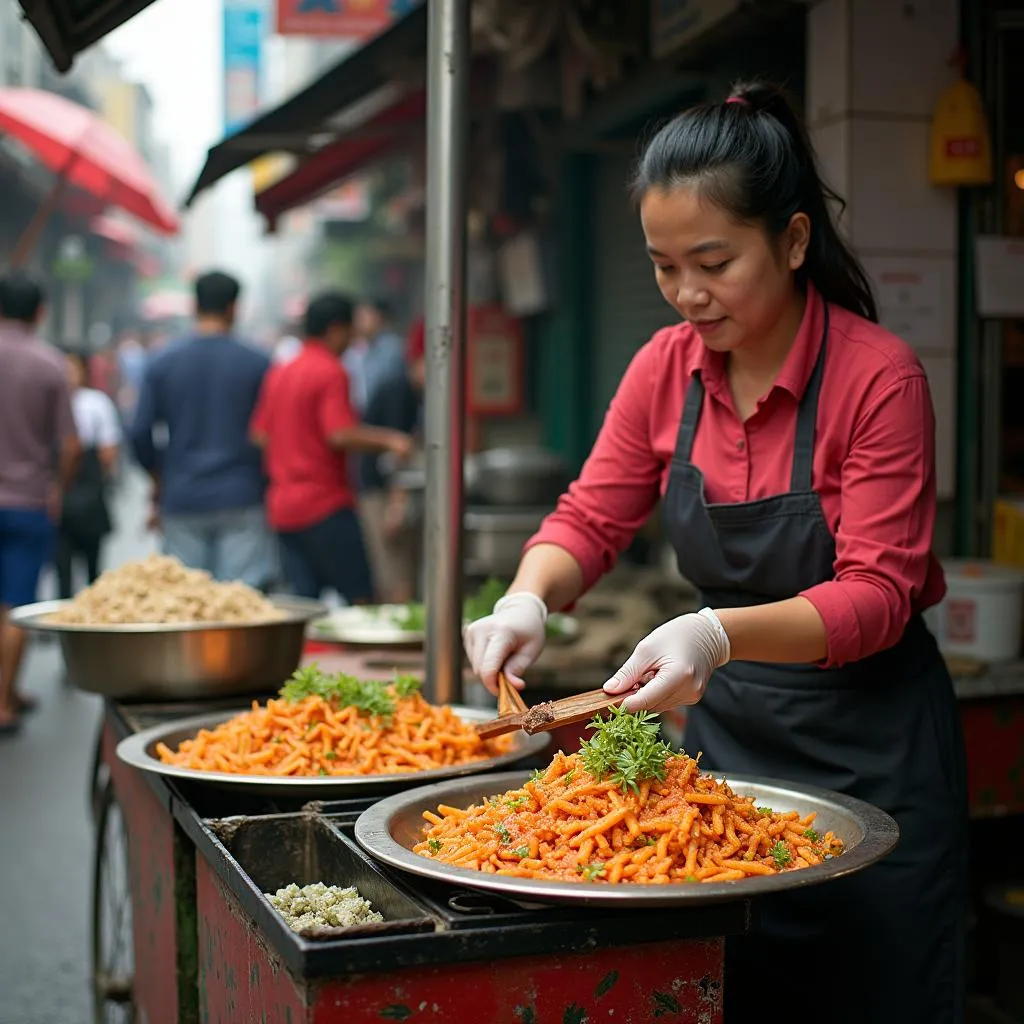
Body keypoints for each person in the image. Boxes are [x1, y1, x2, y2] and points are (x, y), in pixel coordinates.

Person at [462, 81, 967, 1023]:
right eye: (663, 266)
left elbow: (879, 593)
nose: (688, 293)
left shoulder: (878, 379)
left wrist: (716, 636)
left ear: (794, 240)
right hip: (730, 766)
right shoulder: (664, 366)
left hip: (877, 752)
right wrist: (527, 597)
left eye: (714, 261)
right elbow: (590, 516)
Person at [250, 291, 414, 602]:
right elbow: (339, 433)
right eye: (351, 331)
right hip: (324, 504)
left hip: (283, 508)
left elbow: (260, 435)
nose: (353, 340)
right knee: (362, 601)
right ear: (337, 329)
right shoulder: (330, 371)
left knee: (305, 606)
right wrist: (391, 440)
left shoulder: (281, 370)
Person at [128, 271, 274, 589]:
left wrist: (159, 478)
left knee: (188, 602)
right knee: (238, 602)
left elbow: (139, 432)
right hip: (242, 494)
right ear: (234, 307)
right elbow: (272, 433)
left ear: (194, 305)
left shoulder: (163, 362)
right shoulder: (259, 363)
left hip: (183, 494)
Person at [0, 272, 79, 733]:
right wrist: (57, 489)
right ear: (39, 312)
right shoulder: (50, 364)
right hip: (28, 500)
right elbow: (70, 444)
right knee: (17, 602)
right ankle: (5, 700)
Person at [357, 354, 423, 603]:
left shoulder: (406, 390)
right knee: (396, 577)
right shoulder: (400, 392)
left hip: (382, 491)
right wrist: (397, 507)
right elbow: (398, 452)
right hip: (381, 493)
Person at [56, 351, 120, 598]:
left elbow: (108, 451)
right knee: (62, 566)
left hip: (86, 492)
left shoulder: (95, 402)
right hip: (62, 493)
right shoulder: (51, 400)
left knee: (93, 565)